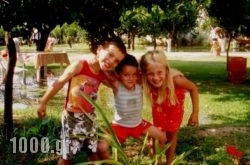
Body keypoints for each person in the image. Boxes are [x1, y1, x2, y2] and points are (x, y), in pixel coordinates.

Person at [37, 36, 127, 165]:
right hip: (71, 118)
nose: (111, 61)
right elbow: (59, 82)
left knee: (93, 152)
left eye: (116, 61)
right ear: (99, 49)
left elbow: (117, 86)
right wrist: (43, 102)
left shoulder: (103, 74)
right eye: (110, 55)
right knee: (67, 155)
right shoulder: (80, 65)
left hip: (90, 118)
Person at [98, 54, 166, 161]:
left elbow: (150, 72)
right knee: (101, 147)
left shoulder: (140, 85)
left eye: (134, 74)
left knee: (162, 137)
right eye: (126, 75)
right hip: (119, 125)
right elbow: (102, 72)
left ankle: (157, 161)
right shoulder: (116, 86)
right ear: (118, 75)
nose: (131, 78)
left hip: (138, 123)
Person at [139, 50, 199, 165]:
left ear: (166, 70)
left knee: (172, 135)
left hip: (174, 109)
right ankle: (157, 162)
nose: (156, 78)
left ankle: (169, 162)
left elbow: (193, 88)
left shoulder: (176, 80)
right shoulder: (145, 79)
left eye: (159, 72)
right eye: (151, 74)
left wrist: (195, 113)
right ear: (145, 74)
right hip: (159, 109)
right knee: (156, 136)